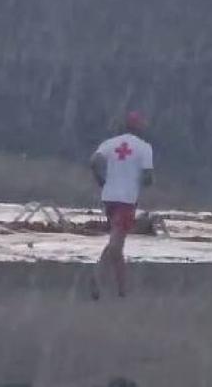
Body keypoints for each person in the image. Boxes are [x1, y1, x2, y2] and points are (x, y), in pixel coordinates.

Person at [89, 111, 154, 299]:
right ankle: (98, 277)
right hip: (127, 199)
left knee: (117, 242)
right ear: (140, 127)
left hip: (109, 198)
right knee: (116, 244)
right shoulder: (144, 148)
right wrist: (146, 181)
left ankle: (122, 289)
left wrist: (101, 180)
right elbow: (148, 177)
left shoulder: (110, 143)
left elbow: (93, 161)